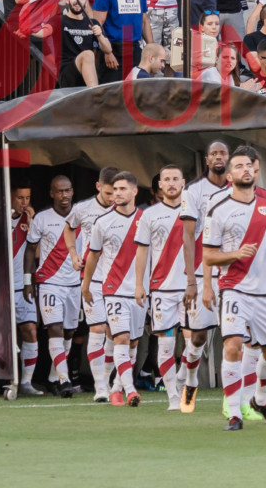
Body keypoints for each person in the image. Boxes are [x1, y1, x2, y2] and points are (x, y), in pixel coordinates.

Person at [201, 144, 266, 429]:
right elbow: (208, 255)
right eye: (238, 166)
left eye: (249, 166)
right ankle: (235, 413)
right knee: (233, 345)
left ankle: (260, 400)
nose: (245, 170)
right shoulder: (218, 209)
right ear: (229, 176)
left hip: (265, 291)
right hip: (234, 287)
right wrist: (234, 255)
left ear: (256, 169)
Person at [81, 171, 145, 407]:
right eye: (114, 189)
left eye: (122, 189)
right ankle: (128, 390)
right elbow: (93, 256)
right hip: (113, 289)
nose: (117, 193)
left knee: (133, 343)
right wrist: (86, 286)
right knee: (120, 337)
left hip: (139, 291)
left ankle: (116, 386)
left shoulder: (146, 220)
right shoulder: (103, 222)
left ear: (134, 191)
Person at [177, 141, 233, 410]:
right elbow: (188, 236)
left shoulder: (239, 189)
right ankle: (190, 381)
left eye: (223, 153)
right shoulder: (194, 191)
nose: (219, 157)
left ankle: (235, 399)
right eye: (214, 153)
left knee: (234, 337)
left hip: (233, 273)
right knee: (198, 337)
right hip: (201, 273)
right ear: (207, 160)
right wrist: (190, 280)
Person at [132, 163, 192, 411]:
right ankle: (172, 397)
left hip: (191, 288)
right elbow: (142, 251)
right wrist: (139, 284)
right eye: (166, 179)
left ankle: (180, 378)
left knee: (194, 343)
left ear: (183, 182)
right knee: (165, 344)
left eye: (175, 179)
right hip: (161, 289)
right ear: (159, 185)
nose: (171, 183)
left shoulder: (195, 211)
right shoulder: (149, 215)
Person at [25, 173, 84, 397]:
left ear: (72, 192)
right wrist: (27, 280)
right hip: (49, 282)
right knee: (55, 329)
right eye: (59, 191)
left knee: (69, 332)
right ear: (51, 193)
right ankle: (64, 379)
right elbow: (30, 250)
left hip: (74, 284)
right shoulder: (41, 218)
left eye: (67, 190)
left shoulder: (82, 216)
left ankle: (52, 377)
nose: (64, 195)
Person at [68, 167, 121, 402]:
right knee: (97, 329)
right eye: (109, 193)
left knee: (114, 332)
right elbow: (69, 228)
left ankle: (108, 380)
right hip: (92, 278)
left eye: (116, 192)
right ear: (99, 187)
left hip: (118, 279)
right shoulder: (83, 209)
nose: (112, 198)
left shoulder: (123, 209)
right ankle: (100, 387)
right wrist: (73, 254)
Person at [9, 183, 43, 395]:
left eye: (27, 198)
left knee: (30, 330)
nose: (24, 203)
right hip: (2, 287)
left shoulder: (31, 221)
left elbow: (38, 253)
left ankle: (26, 383)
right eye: (20, 197)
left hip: (23, 286)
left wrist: (31, 225)